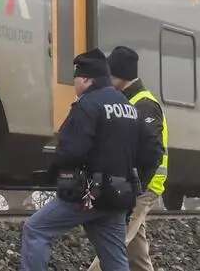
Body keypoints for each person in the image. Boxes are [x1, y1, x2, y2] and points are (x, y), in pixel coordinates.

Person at [20, 49, 163, 271]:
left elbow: (71, 152)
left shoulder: (87, 105)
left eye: (75, 78)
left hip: (88, 194)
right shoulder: (128, 107)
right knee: (115, 258)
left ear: (86, 79)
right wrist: (136, 186)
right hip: (118, 195)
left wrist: (52, 176)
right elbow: (153, 152)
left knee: (36, 229)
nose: (74, 84)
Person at [88, 46, 168, 271]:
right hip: (133, 186)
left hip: (142, 188)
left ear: (118, 75)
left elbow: (153, 152)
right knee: (137, 257)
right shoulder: (130, 101)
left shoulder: (143, 105)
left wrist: (134, 187)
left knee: (111, 247)